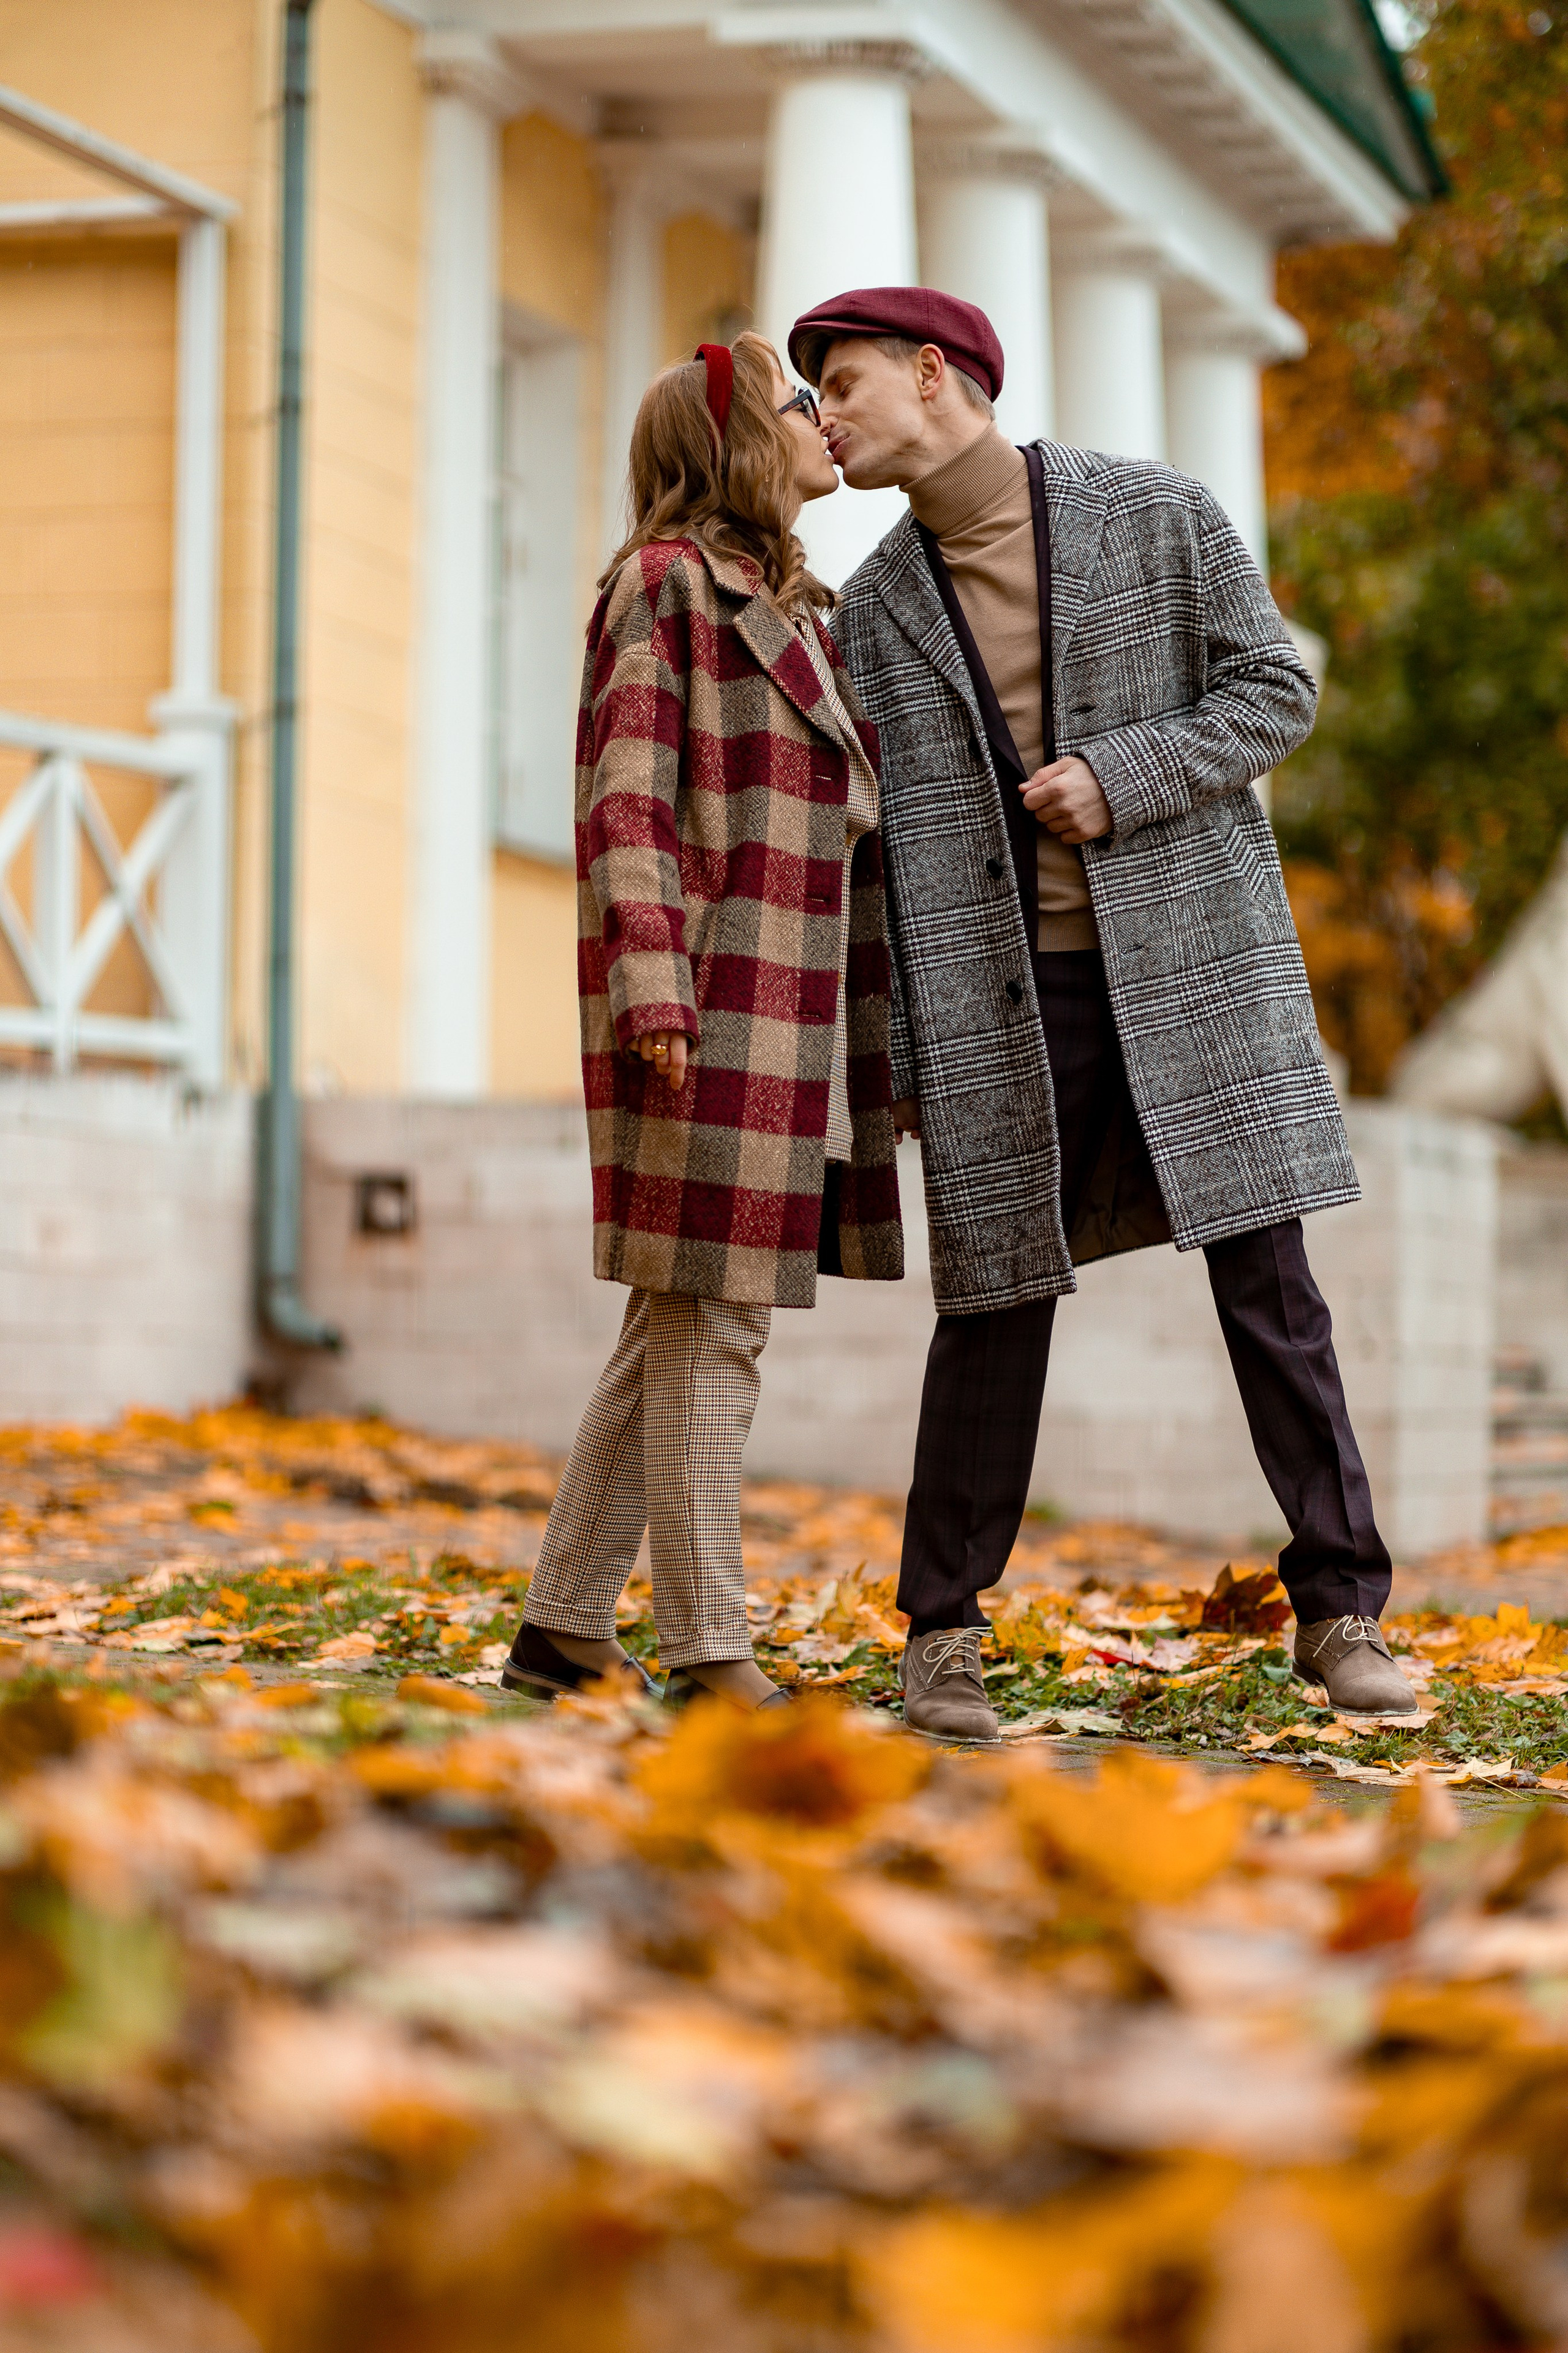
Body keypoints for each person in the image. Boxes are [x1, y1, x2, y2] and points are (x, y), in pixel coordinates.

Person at [785, 284, 1419, 1739]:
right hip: (997, 1005)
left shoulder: (1157, 516)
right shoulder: (874, 609)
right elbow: (871, 855)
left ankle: (1341, 1612)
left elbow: (1276, 691)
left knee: (1271, 1291)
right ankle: (939, 1632)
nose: (827, 413)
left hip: (1194, 966)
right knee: (991, 1303)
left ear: (934, 377)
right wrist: (880, 1062)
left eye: (845, 382)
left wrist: (1117, 775)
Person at [501, 331, 903, 1713]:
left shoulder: (795, 603)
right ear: (733, 439)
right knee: (717, 1326)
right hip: (711, 1006)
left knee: (674, 1321)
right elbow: (627, 798)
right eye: (800, 402)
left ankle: (560, 1628)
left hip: (790, 1010)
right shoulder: (663, 587)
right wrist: (655, 988)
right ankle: (707, 1647)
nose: (819, 420)